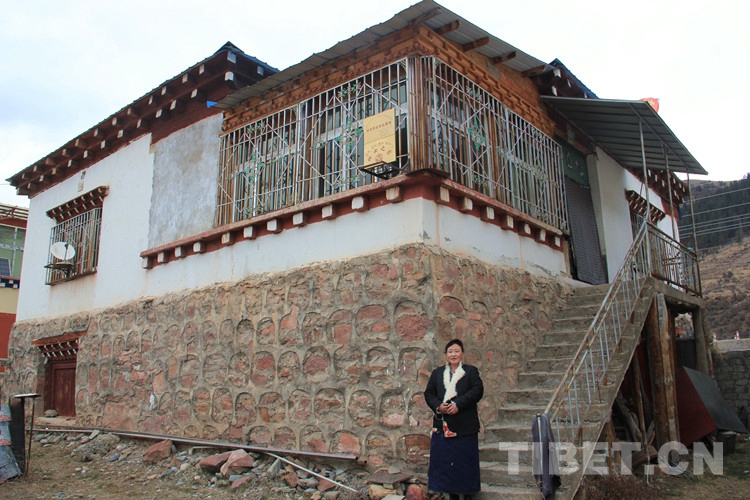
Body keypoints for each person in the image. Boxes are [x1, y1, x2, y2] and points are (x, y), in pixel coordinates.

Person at [424, 339, 484, 500]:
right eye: (450, 352)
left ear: (462, 353)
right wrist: (439, 406)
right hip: (443, 427)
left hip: (465, 427)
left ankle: (468, 494)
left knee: (465, 463)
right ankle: (451, 495)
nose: (453, 354)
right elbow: (429, 393)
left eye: (456, 351)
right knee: (446, 464)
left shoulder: (471, 372)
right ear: (446, 355)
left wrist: (458, 404)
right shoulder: (437, 373)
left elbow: (477, 390)